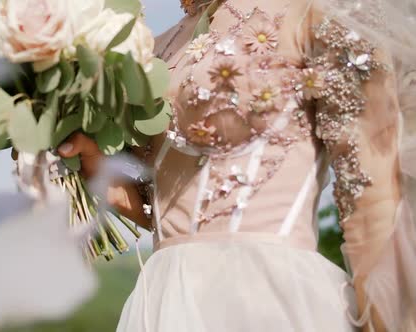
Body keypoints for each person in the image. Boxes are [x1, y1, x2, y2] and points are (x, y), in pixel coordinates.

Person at [58, 0, 416, 331]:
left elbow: (372, 200)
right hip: (163, 301)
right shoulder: (148, 49)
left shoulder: (313, 17)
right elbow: (173, 215)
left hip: (272, 300)